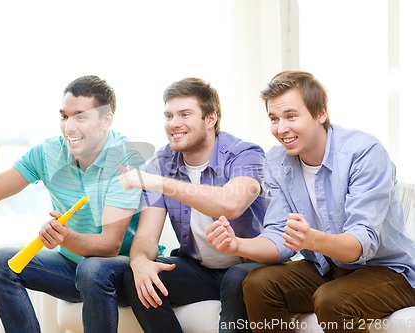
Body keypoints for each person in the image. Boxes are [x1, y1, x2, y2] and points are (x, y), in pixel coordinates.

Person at [206, 70, 415, 333]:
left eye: (291, 116)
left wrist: (311, 239)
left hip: (389, 271)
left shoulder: (363, 153)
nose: (281, 129)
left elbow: (362, 244)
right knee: (258, 283)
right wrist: (237, 244)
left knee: (332, 300)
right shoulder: (276, 160)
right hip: (328, 266)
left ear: (320, 114)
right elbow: (278, 237)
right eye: (274, 118)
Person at [0, 75, 146, 333]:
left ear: (106, 120)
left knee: (92, 267)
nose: (69, 127)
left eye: (80, 116)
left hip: (119, 274)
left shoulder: (125, 157)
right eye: (64, 116)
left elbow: (110, 245)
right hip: (74, 269)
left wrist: (65, 237)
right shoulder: (48, 152)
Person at [118, 77, 267, 333]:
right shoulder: (162, 163)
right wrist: (140, 261)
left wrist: (158, 182)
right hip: (201, 269)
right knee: (138, 278)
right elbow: (146, 235)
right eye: (168, 116)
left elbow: (231, 204)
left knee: (235, 278)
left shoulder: (245, 154)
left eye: (184, 114)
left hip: (251, 265)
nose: (174, 124)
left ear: (211, 118)